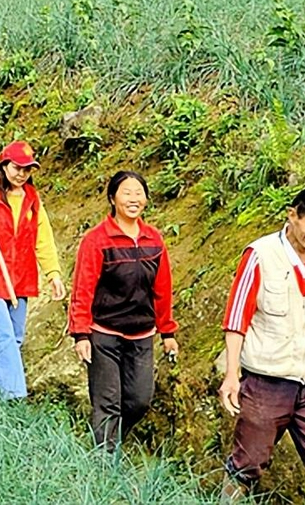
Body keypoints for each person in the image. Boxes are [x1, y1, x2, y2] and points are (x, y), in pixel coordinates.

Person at [68, 170, 179, 451]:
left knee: (140, 399)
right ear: (112, 199)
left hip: (141, 335)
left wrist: (167, 332)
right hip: (103, 334)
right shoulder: (97, 240)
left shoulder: (154, 239)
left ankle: (112, 439)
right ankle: (104, 464)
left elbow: (163, 289)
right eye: (126, 193)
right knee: (107, 401)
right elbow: (83, 288)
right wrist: (81, 334)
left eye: (139, 193)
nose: (133, 199)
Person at [218, 187, 305, 503]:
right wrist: (232, 374)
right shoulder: (260, 255)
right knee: (246, 465)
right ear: (292, 215)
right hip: (266, 383)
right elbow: (236, 318)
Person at [0, 141, 65, 400]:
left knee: (14, 338)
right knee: (4, 335)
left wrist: (53, 273)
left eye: (27, 169)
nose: (22, 174)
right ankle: (15, 396)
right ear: (4, 166)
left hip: (20, 277)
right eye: (17, 167)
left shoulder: (32, 200)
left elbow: (43, 238)